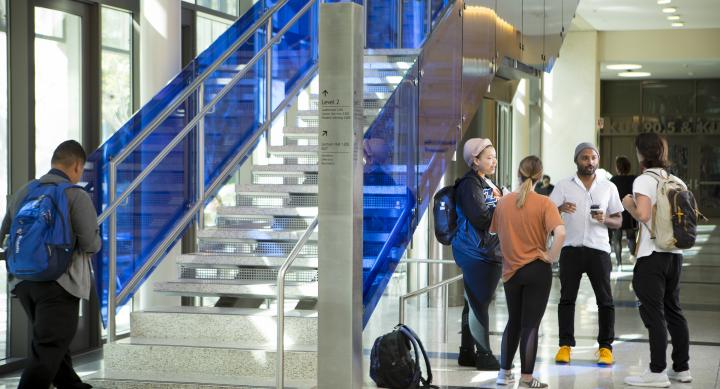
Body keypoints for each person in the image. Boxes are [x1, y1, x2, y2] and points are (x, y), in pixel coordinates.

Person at [0, 140, 99, 389]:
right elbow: (90, 244)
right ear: (77, 166)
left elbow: (4, 234)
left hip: (23, 281)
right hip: (58, 283)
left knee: (53, 340)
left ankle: (71, 385)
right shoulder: (75, 195)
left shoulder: (24, 191)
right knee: (48, 348)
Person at [622, 133, 692, 387]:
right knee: (674, 310)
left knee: (654, 314)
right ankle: (681, 368)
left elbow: (641, 212)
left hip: (652, 255)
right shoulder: (677, 180)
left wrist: (628, 202)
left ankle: (657, 371)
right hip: (675, 254)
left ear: (641, 153)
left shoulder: (644, 180)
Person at [490, 155, 565, 388]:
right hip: (537, 269)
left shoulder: (502, 203)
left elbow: (494, 233)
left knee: (513, 321)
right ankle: (526, 378)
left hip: (511, 271)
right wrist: (551, 256)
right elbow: (560, 233)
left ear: (518, 173)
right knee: (530, 325)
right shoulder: (545, 203)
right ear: (540, 176)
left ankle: (504, 375)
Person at [549, 142, 623, 365]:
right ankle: (565, 346)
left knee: (605, 300)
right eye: (585, 158)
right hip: (570, 250)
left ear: (597, 160)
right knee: (567, 299)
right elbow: (546, 213)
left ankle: (605, 348)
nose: (590, 162)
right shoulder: (563, 186)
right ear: (576, 160)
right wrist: (560, 209)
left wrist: (605, 219)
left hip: (598, 251)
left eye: (593, 157)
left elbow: (618, 221)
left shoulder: (608, 187)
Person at [452, 138, 504, 370]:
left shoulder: (485, 182)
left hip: (483, 248)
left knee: (472, 302)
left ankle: (466, 352)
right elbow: (481, 218)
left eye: (494, 157)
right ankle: (484, 354)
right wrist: (502, 209)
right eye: (489, 157)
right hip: (475, 250)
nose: (494, 161)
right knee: (478, 303)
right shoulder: (469, 185)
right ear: (475, 160)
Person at [609, 156, 638, 269]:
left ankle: (619, 264)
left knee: (617, 239)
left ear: (617, 168)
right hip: (630, 210)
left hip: (617, 211)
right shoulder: (634, 179)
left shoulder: (613, 180)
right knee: (631, 236)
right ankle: (633, 257)